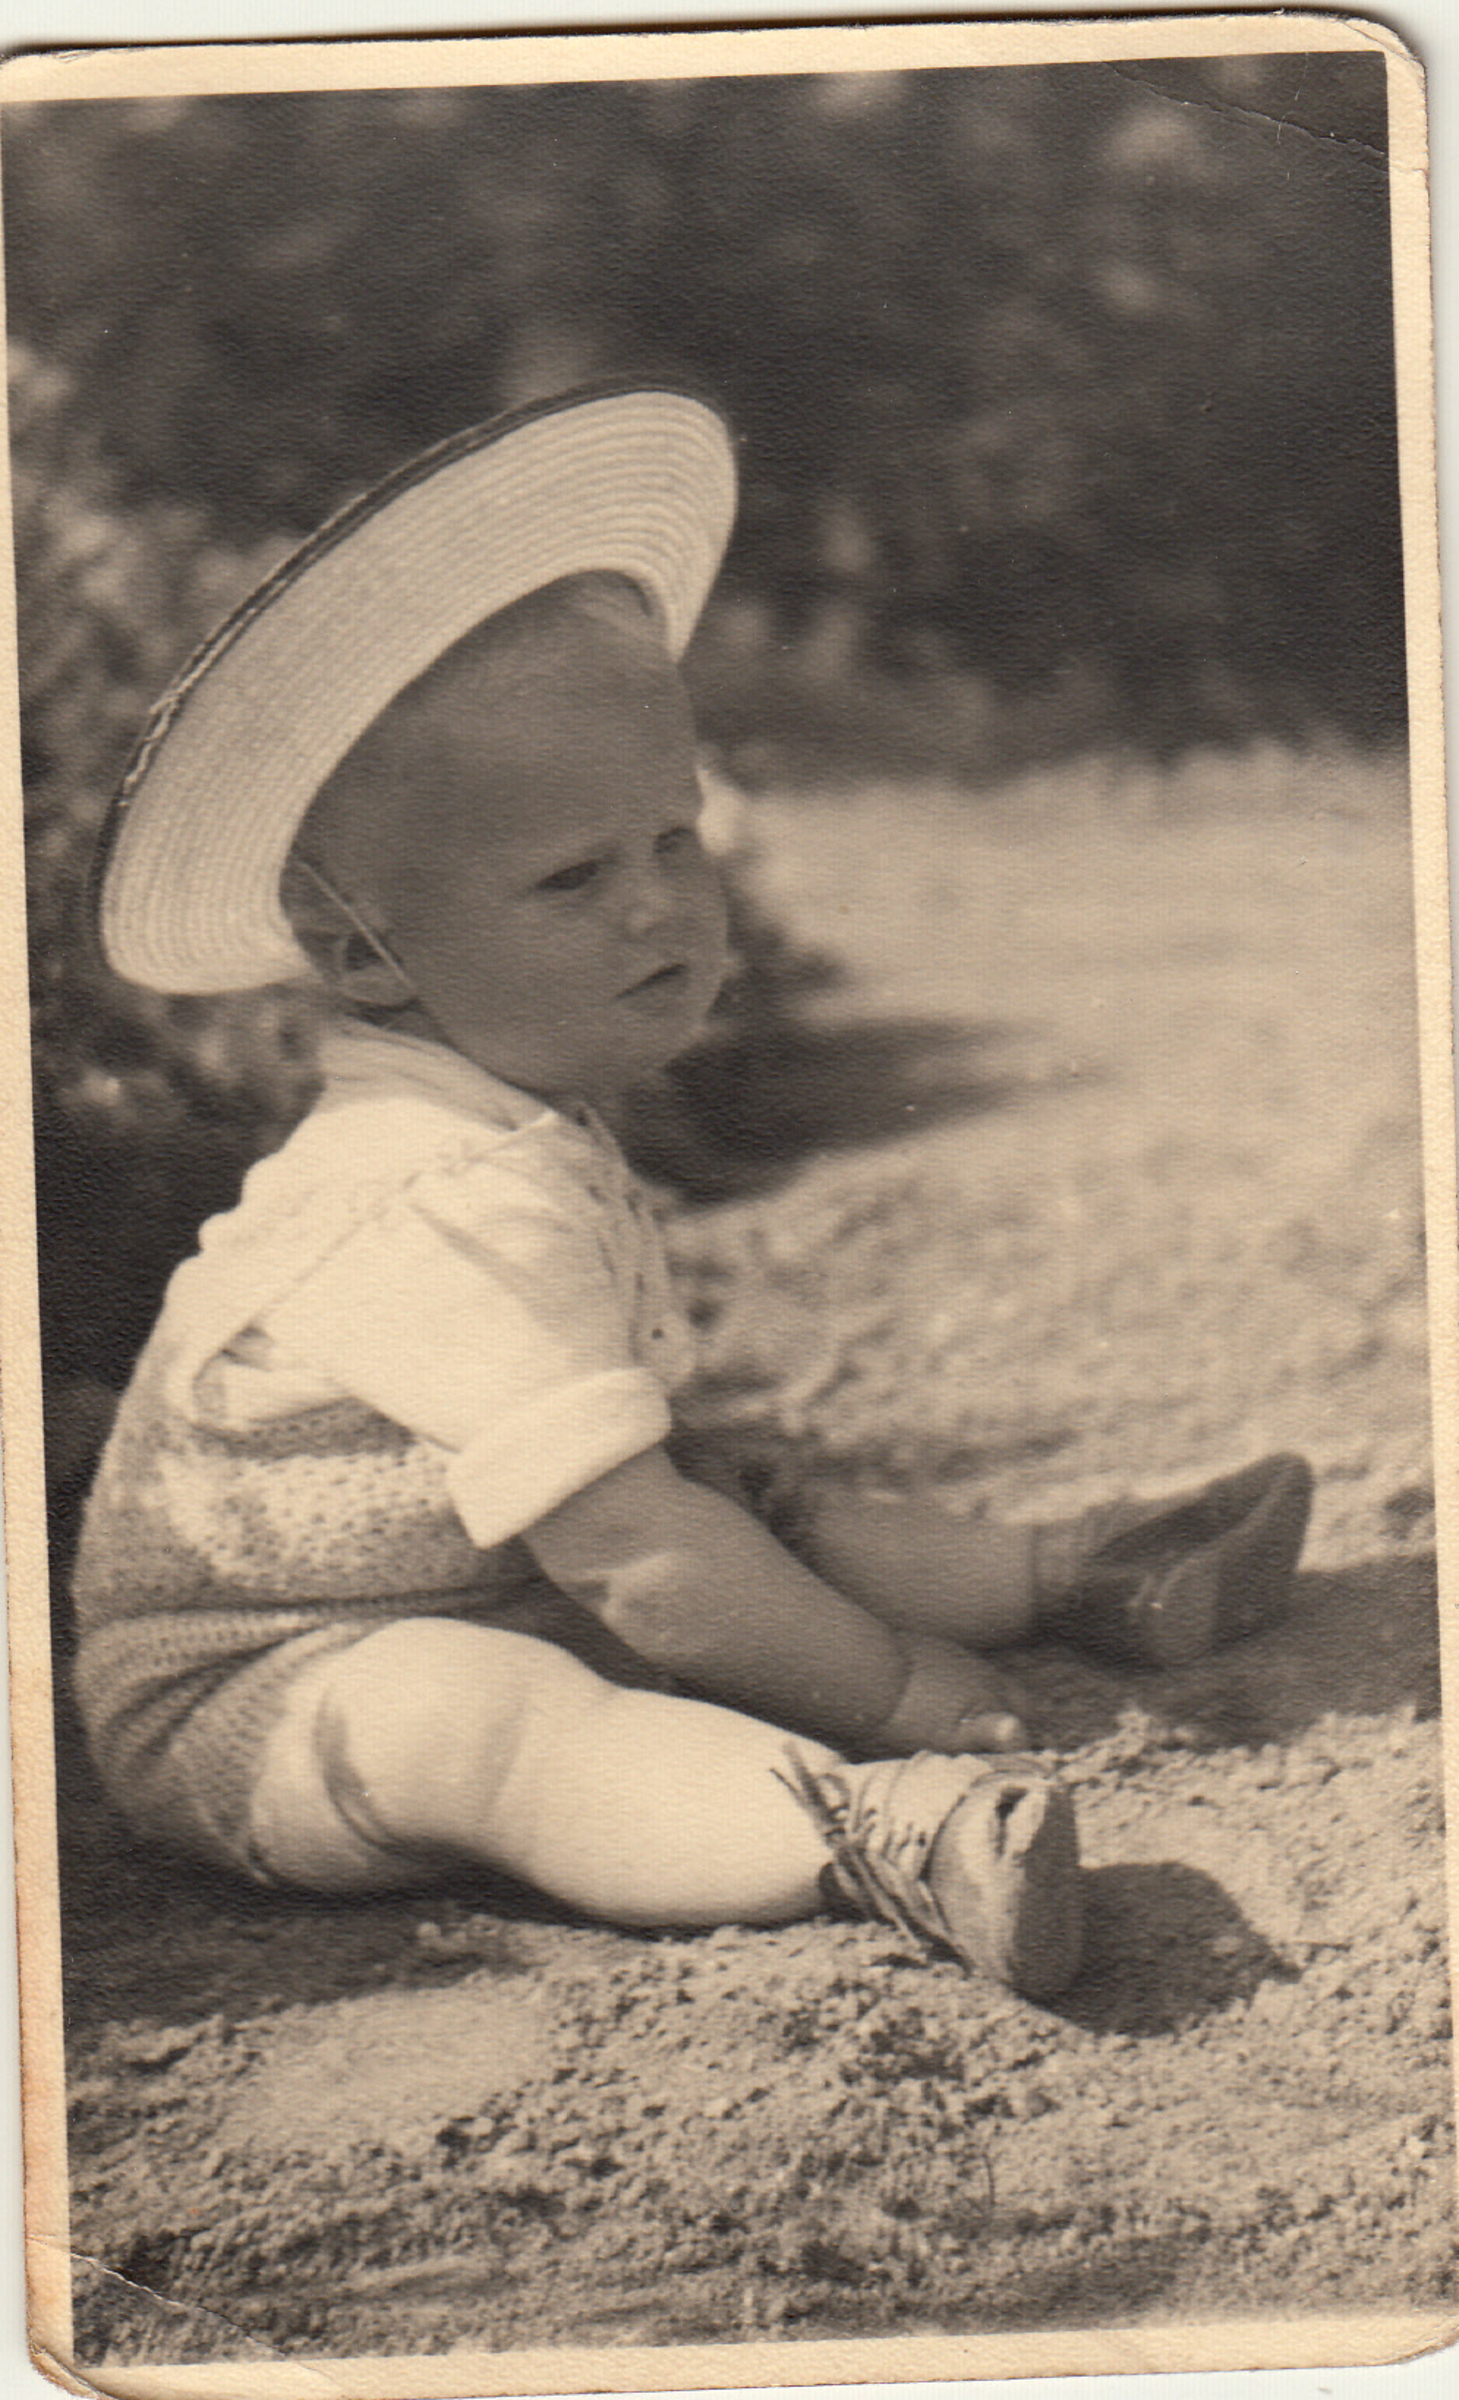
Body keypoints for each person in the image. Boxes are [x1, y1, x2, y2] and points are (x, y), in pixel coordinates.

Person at [72, 387, 1313, 2001]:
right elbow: (636, 1563)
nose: (660, 905)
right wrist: (888, 1694)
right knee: (494, 1714)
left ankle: (1069, 1571)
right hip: (267, 1693)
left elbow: (649, 1529)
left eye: (676, 837)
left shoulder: (502, 1119)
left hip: (494, 1574)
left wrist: (759, 1562)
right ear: (361, 951)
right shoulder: (424, 1196)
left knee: (745, 1505)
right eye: (574, 876)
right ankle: (869, 1832)